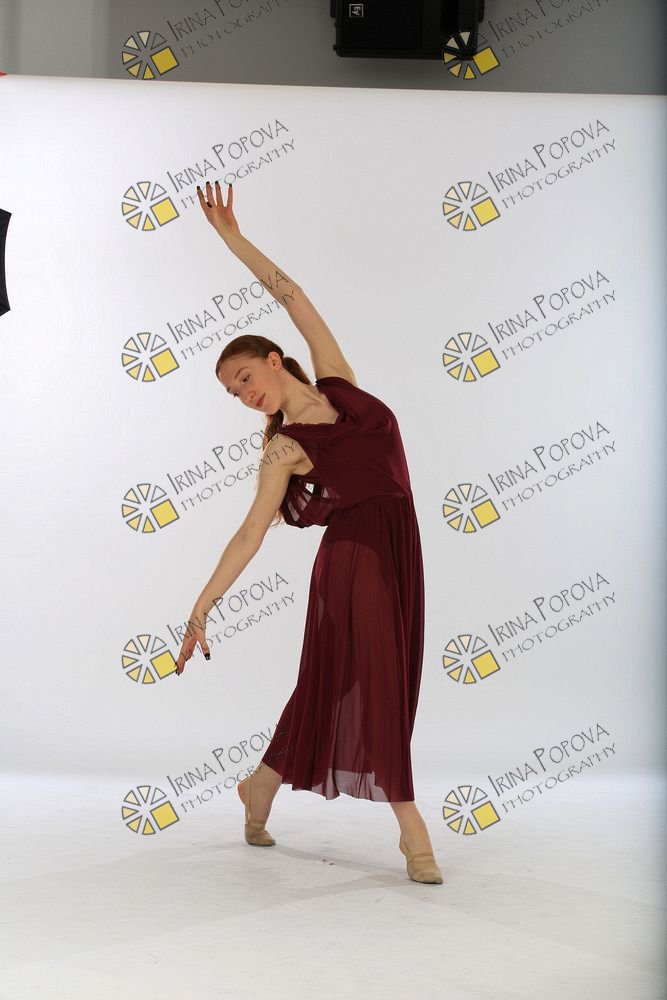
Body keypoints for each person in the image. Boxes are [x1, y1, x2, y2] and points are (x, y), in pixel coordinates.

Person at [174, 179, 443, 885]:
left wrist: (233, 240)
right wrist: (202, 606)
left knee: (340, 679)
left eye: (244, 377)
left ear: (275, 359)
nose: (244, 395)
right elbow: (248, 534)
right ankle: (411, 829)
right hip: (353, 559)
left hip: (400, 549)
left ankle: (259, 787)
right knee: (378, 679)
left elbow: (290, 296)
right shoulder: (283, 449)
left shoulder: (340, 383)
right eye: (233, 393)